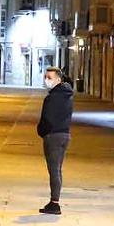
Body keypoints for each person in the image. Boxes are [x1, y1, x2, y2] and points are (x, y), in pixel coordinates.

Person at [36, 66, 74, 215]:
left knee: (54, 170)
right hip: (65, 134)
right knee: (57, 169)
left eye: (50, 78)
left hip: (53, 136)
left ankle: (54, 203)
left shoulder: (52, 98)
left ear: (58, 79)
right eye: (46, 77)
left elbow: (47, 118)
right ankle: (54, 201)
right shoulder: (68, 95)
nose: (47, 80)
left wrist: (42, 131)